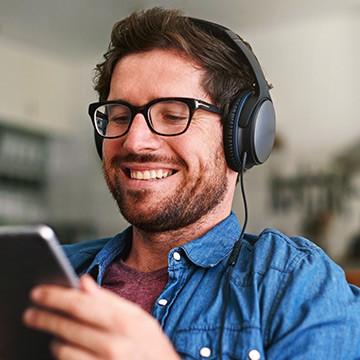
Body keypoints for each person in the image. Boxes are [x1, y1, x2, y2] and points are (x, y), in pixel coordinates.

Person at [23, 7, 360, 359]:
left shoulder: (298, 284)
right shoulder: (42, 273)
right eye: (120, 116)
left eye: (172, 115)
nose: (135, 141)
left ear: (240, 136)